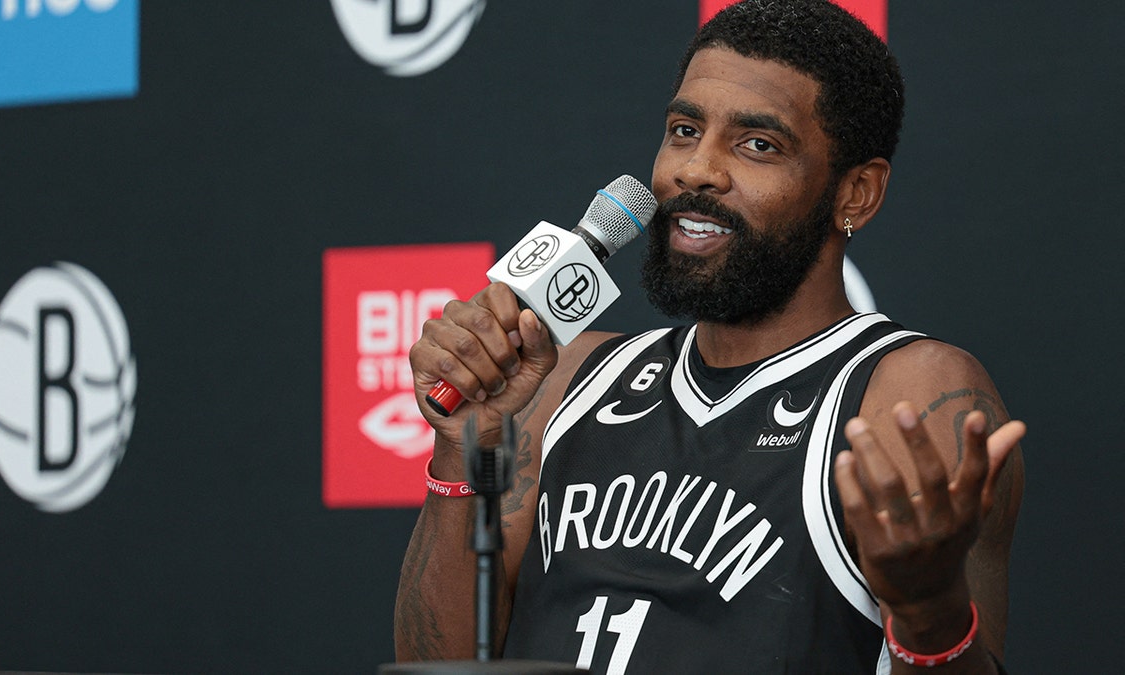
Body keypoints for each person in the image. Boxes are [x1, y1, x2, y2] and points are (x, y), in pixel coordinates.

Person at [394, 1, 1026, 672]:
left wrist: (930, 613)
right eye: (684, 129)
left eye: (758, 144)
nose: (696, 169)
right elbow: (435, 662)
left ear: (857, 194)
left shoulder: (906, 391)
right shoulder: (563, 376)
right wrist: (466, 448)